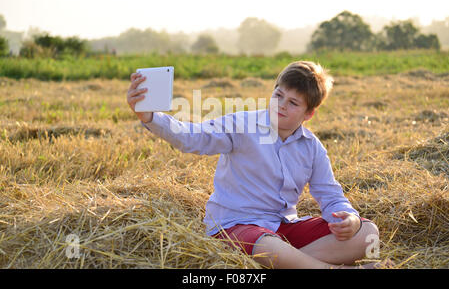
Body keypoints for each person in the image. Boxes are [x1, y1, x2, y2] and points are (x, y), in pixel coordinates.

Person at [126, 61, 382, 269]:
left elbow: (331, 195)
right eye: (278, 95)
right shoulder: (242, 125)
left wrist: (350, 219)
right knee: (267, 246)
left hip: (283, 227)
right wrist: (150, 117)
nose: (281, 105)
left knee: (368, 233)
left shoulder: (312, 147)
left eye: (293, 103)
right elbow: (193, 137)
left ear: (308, 114)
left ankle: (294, 264)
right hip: (235, 225)